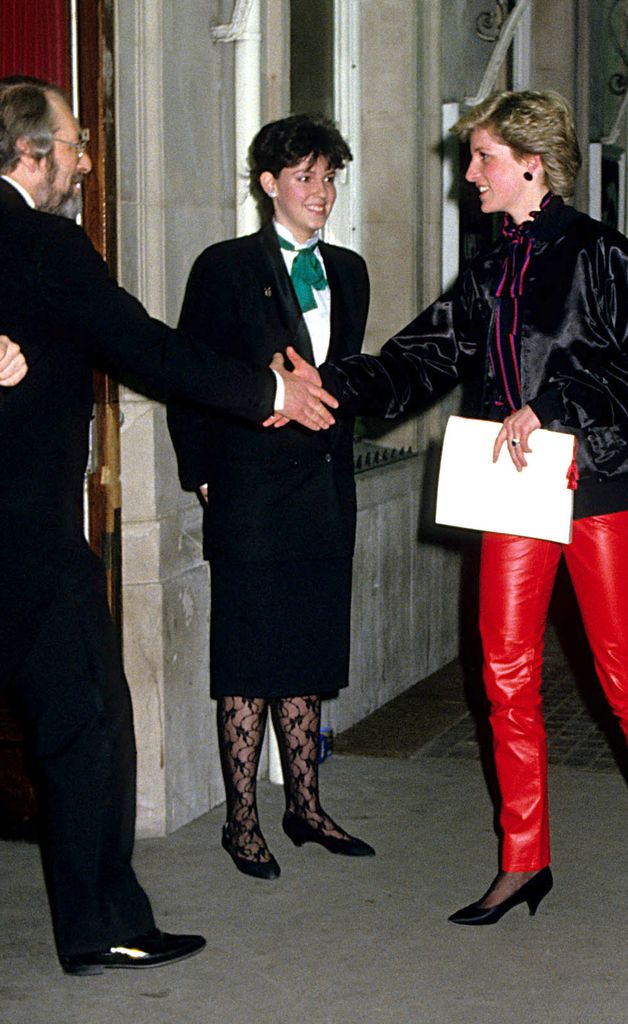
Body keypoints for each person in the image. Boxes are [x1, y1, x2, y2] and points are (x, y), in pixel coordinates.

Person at [285, 89, 628, 928]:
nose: (470, 174)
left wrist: (556, 400)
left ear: (532, 162)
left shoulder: (604, 256)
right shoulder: (491, 269)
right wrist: (333, 382)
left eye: (482, 157)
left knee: (623, 676)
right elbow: (419, 358)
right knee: (504, 675)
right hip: (511, 487)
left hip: (595, 484)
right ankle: (523, 860)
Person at [0, 77, 338, 975]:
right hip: (26, 536)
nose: (82, 157)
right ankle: (101, 922)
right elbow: (146, 345)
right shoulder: (44, 241)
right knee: (92, 726)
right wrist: (273, 390)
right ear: (31, 156)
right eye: (71, 143)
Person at [167, 114, 374, 882]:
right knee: (250, 657)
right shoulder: (223, 267)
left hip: (322, 488)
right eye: (304, 178)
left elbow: (345, 377)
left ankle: (306, 807)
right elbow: (187, 375)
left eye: (329, 178)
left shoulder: (348, 270)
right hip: (250, 488)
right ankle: (242, 819)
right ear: (268, 184)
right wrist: (203, 475)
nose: (320, 193)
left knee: (309, 649)